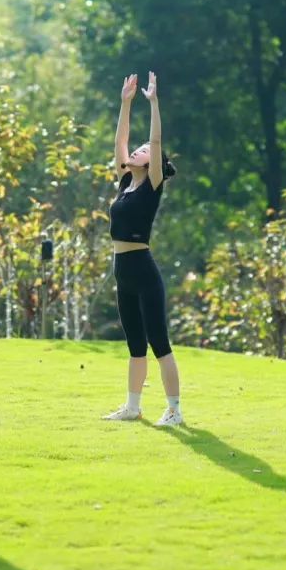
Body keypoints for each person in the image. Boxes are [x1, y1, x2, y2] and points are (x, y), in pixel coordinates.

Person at [101, 71, 183, 426]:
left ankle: (174, 410)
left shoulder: (152, 184)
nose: (137, 150)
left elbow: (156, 139)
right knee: (135, 345)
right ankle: (133, 407)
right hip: (122, 272)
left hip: (143, 272)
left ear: (153, 163)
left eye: (144, 150)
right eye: (137, 149)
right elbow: (120, 140)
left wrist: (153, 103)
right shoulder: (125, 182)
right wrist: (125, 103)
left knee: (158, 343)